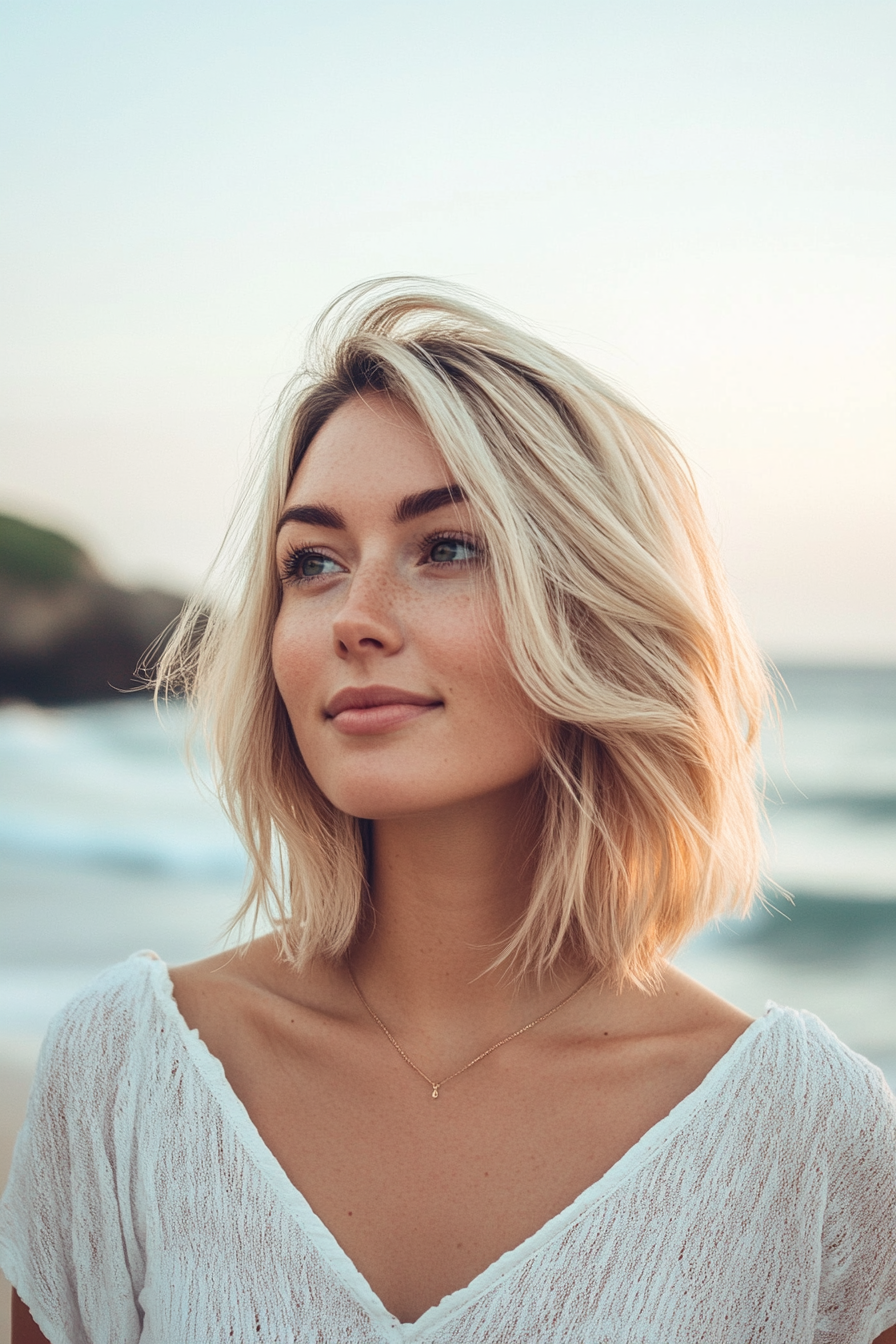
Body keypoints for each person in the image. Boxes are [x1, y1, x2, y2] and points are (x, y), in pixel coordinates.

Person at [2, 279, 895, 1343]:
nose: (355, 619)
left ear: (594, 607)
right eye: (314, 563)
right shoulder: (126, 1068)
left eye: (446, 548)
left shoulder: (809, 1136)